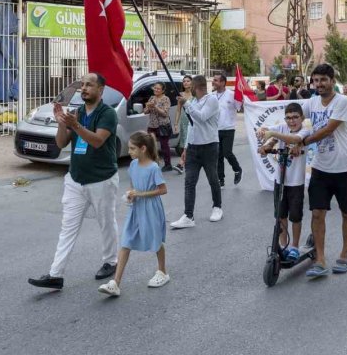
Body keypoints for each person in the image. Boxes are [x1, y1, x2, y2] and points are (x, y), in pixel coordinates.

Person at [28, 73, 120, 290]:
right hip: (75, 179)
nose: (84, 88)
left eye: (90, 85)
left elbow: (97, 141)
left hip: (101, 179)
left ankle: (111, 261)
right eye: (83, 85)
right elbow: (60, 143)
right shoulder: (76, 113)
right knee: (67, 228)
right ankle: (55, 274)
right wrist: (62, 124)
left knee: (106, 222)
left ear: (101, 90)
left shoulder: (108, 114)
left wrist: (76, 125)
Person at [300, 64, 347, 277]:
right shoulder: (312, 101)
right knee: (317, 213)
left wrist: (302, 141)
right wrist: (278, 134)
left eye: (323, 80)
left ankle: (344, 256)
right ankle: (320, 259)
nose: (319, 85)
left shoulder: (342, 102)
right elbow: (295, 118)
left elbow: (328, 129)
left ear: (332, 80)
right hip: (321, 168)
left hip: (346, 168)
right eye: (315, 81)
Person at [98, 132, 169, 297]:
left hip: (151, 208)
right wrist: (130, 195)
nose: (129, 151)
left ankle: (163, 272)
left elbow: (163, 190)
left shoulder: (153, 167)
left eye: (132, 148)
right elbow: (133, 186)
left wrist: (140, 194)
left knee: (156, 240)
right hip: (136, 208)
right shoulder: (133, 165)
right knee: (126, 241)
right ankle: (115, 283)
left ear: (143, 148)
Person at [256, 102, 312, 262]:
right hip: (279, 180)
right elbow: (270, 138)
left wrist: (272, 133)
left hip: (296, 182)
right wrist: (266, 144)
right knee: (280, 216)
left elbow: (294, 139)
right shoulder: (281, 128)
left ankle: (294, 246)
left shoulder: (304, 131)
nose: (291, 121)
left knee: (295, 216)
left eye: (295, 117)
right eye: (288, 118)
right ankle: (283, 245)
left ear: (301, 118)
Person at [171, 75, 222, 228]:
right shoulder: (193, 101)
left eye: (191, 86)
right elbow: (193, 127)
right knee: (189, 182)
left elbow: (201, 117)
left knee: (213, 178)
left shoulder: (211, 100)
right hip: (193, 147)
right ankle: (188, 215)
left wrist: (186, 104)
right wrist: (186, 148)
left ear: (197, 86)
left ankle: (217, 207)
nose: (189, 88)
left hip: (209, 146)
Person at [212, 73, 243, 188]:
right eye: (213, 80)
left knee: (227, 152)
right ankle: (221, 180)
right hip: (215, 130)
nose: (213, 82)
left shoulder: (232, 94)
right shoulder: (212, 96)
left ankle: (237, 169)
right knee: (218, 156)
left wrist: (242, 97)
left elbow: (239, 106)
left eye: (216, 80)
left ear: (223, 82)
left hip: (228, 128)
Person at [144, 82, 173, 172]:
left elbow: (165, 113)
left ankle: (168, 165)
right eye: (155, 88)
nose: (156, 90)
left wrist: (155, 106)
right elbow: (145, 112)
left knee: (164, 146)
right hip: (152, 125)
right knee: (150, 145)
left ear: (163, 90)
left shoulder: (166, 99)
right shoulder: (152, 98)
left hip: (162, 125)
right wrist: (147, 107)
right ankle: (154, 164)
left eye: (158, 89)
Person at [172, 75, 193, 174]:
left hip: (194, 121)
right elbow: (178, 111)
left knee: (189, 142)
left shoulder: (196, 94)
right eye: (184, 81)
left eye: (188, 81)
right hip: (184, 122)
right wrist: (176, 123)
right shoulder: (181, 94)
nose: (186, 83)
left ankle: (181, 163)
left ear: (192, 82)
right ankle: (183, 163)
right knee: (186, 142)